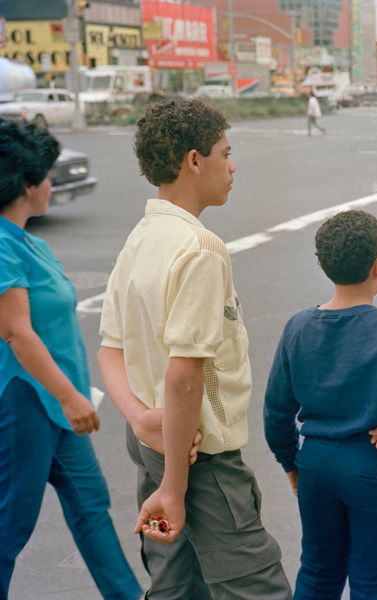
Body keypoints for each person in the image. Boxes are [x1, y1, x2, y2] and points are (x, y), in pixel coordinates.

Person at [97, 99, 292, 600]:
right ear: (193, 160)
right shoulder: (200, 250)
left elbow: (109, 350)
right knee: (257, 588)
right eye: (225, 152)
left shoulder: (140, 239)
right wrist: (176, 490)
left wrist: (139, 417)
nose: (233, 165)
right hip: (198, 461)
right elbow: (184, 377)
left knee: (175, 587)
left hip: (152, 445)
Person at [264, 210, 377, 600]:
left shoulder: (298, 326)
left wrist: (291, 462)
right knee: (373, 583)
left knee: (317, 572)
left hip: (316, 463)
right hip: (374, 464)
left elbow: (276, 410)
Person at [0, 119, 142, 600]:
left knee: (91, 507)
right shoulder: (1, 246)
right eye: (46, 175)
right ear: (26, 185)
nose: (51, 184)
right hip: (27, 401)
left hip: (57, 402)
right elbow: (17, 333)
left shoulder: (28, 242)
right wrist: (70, 397)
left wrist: (69, 398)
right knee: (9, 528)